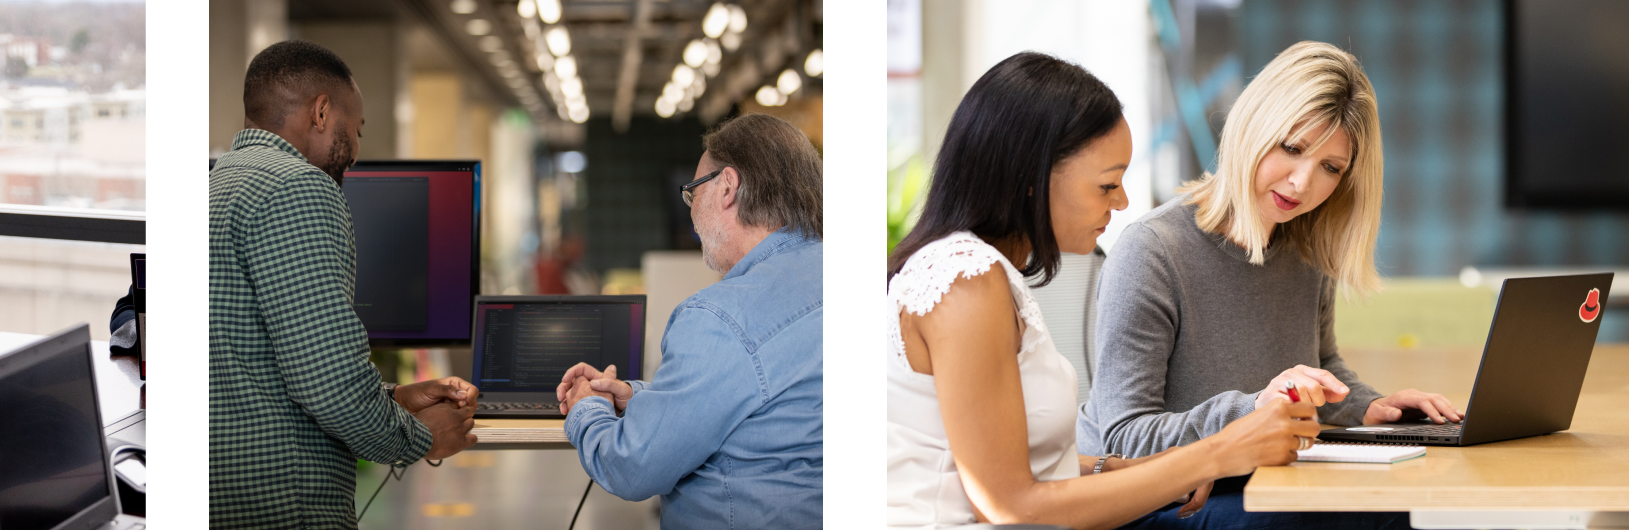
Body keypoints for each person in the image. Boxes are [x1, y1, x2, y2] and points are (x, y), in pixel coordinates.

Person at [876, 52, 1398, 530]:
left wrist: (1119, 468)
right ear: (1032, 178)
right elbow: (1011, 504)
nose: (1123, 202)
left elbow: (1019, 470)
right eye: (1107, 184)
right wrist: (1216, 451)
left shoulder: (989, 279)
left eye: (1331, 168)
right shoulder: (965, 282)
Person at [1081, 41, 1450, 523]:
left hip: (1262, 478)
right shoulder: (1151, 251)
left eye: (1330, 168)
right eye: (1291, 149)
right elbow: (1124, 437)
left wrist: (1369, 407)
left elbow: (1320, 363)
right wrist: (1255, 409)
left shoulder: (1304, 249)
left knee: (1381, 508)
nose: (1301, 184)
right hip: (1162, 497)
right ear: (1253, 129)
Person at [208, 39, 478, 528]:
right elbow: (329, 385)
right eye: (355, 130)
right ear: (321, 111)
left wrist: (393, 397)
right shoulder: (299, 187)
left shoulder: (218, 182)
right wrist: (422, 436)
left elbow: (254, 363)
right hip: (283, 505)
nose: (354, 153)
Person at [550, 112, 824, 529]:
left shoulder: (719, 318)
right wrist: (640, 397)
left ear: (727, 188)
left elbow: (632, 466)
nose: (692, 212)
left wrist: (588, 409)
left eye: (693, 191)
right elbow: (761, 407)